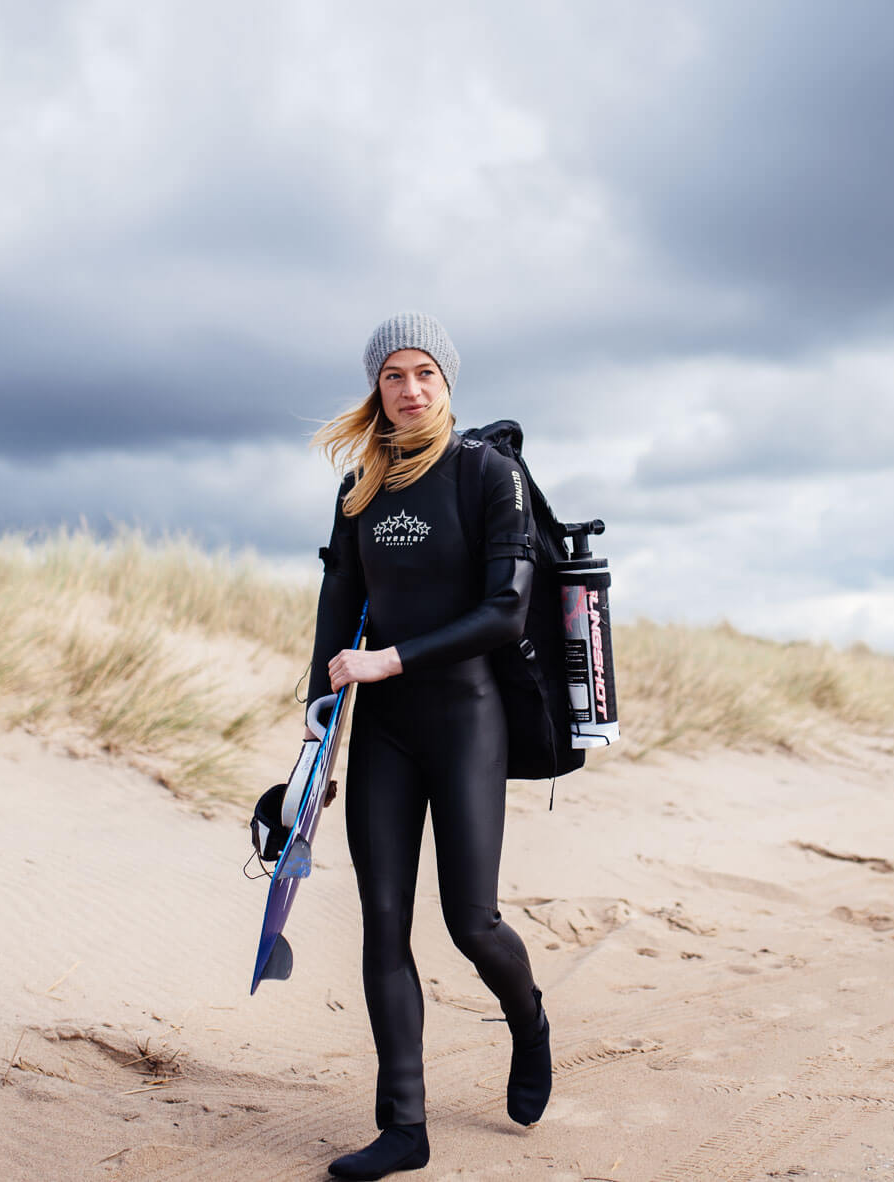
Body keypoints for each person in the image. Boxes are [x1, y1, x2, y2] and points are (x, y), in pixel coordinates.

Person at [306, 312, 553, 1180]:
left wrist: (393, 659)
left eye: (425, 375)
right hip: (384, 729)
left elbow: (506, 612)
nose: (409, 390)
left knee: (470, 921)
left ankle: (527, 1020)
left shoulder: (487, 474)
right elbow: (339, 601)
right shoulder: (360, 486)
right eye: (393, 376)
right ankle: (402, 1128)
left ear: (448, 383)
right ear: (376, 387)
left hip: (465, 719)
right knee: (381, 921)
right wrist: (316, 711)